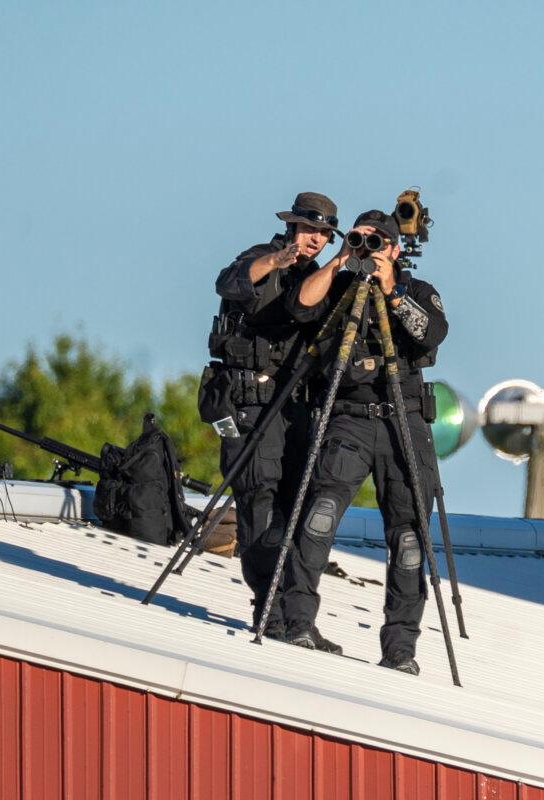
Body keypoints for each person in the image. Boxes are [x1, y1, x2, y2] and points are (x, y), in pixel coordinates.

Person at [281, 209, 448, 674]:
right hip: (348, 417)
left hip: (403, 421)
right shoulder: (339, 284)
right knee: (319, 515)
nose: (369, 249)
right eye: (362, 239)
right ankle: (297, 620)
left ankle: (400, 648)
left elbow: (431, 334)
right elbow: (299, 309)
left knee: (410, 536)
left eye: (379, 242)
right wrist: (340, 260)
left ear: (395, 249)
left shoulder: (416, 291)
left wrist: (390, 289)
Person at [200, 192, 338, 640]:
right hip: (248, 402)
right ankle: (268, 607)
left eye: (324, 234)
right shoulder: (262, 257)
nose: (316, 239)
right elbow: (230, 282)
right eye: (309, 229)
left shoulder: (315, 278)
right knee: (258, 501)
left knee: (296, 503)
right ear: (293, 227)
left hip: (291, 405)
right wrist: (277, 260)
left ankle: (296, 615)